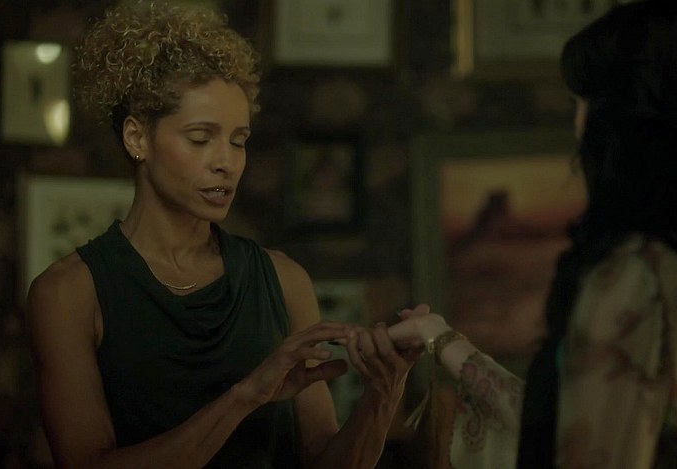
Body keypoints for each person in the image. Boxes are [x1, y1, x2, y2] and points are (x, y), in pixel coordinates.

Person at [390, 1, 677, 468]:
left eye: (584, 103)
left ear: (627, 121)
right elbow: (579, 423)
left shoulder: (634, 277)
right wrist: (436, 336)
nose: (577, 124)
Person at [25, 3, 420, 468]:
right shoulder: (69, 293)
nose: (226, 162)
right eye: (200, 138)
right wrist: (247, 395)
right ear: (137, 138)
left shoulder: (283, 280)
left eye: (238, 140)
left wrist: (384, 392)